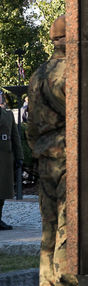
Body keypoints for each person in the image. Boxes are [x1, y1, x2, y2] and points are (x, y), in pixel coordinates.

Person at [26, 15, 77, 286]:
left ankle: (47, 281)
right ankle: (66, 281)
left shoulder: (37, 74)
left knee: (48, 229)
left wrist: (40, 149)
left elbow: (30, 126)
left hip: (46, 158)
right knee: (69, 228)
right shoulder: (74, 71)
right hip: (70, 157)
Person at [0, 94, 22, 230]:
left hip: (4, 159)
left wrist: (19, 156)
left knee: (2, 192)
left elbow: (15, 137)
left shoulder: (8, 115)